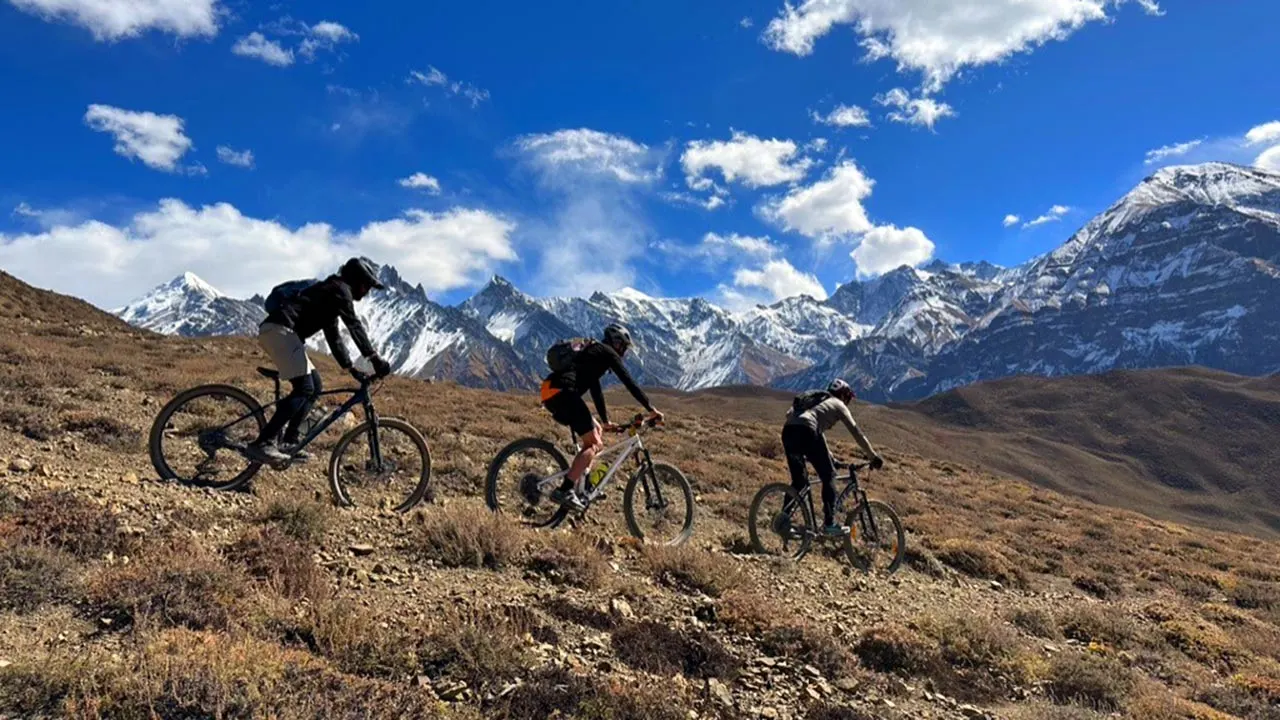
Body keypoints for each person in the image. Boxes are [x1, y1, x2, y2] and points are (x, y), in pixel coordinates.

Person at [244, 257, 393, 465]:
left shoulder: (330, 294)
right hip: (280, 330)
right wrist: (374, 358)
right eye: (366, 286)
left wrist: (350, 368)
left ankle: (289, 441)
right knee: (304, 388)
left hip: (284, 334)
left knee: (315, 387)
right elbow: (354, 325)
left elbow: (334, 337)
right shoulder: (340, 289)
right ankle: (263, 443)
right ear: (357, 280)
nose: (366, 291)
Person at [539, 323, 663, 511]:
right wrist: (650, 408)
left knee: (596, 430)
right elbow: (628, 381)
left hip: (552, 392)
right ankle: (565, 489)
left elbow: (595, 390)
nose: (623, 353)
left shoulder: (594, 354)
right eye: (623, 347)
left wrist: (605, 421)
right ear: (617, 343)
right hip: (562, 393)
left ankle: (585, 485)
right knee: (593, 444)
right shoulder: (606, 352)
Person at [782, 379, 884, 536]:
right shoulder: (838, 404)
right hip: (807, 432)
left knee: (799, 482)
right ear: (844, 395)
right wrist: (873, 456)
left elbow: (815, 431)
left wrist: (831, 458)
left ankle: (783, 521)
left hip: (789, 432)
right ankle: (829, 524)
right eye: (848, 398)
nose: (848, 402)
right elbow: (856, 432)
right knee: (829, 475)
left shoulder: (817, 402)